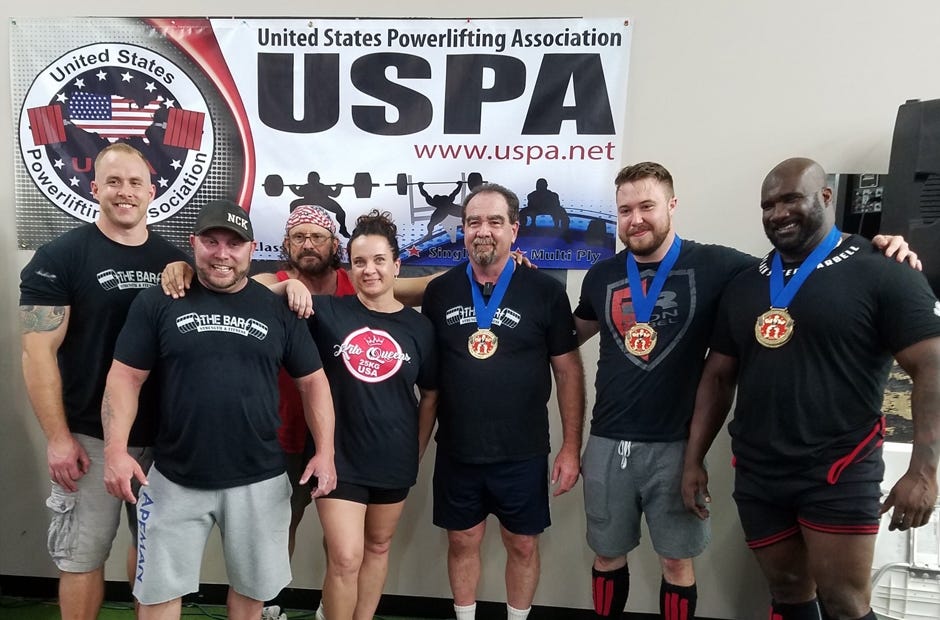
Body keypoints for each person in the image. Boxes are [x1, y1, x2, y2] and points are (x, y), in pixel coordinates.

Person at [572, 161, 923, 620]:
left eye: (647, 206)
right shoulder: (602, 275)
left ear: (671, 206)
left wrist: (882, 245)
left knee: (679, 562)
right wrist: (515, 277)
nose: (635, 219)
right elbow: (563, 336)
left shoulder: (722, 266)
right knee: (608, 554)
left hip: (683, 443)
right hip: (615, 440)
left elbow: (799, 264)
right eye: (624, 210)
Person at [681, 157, 940, 620]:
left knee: (845, 602)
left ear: (825, 196)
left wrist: (924, 471)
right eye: (768, 205)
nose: (778, 213)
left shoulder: (885, 270)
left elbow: (932, 366)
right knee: (787, 591)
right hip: (759, 472)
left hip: (839, 468)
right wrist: (692, 459)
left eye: (790, 199)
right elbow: (717, 377)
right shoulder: (746, 284)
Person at [100, 199, 337, 620]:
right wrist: (115, 450)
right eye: (211, 241)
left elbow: (313, 382)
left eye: (234, 243)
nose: (222, 253)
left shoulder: (277, 308)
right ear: (194, 243)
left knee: (251, 594)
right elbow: (125, 378)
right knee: (157, 595)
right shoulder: (161, 300)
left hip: (260, 478)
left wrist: (326, 451)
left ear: (251, 249)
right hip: (173, 476)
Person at [18, 142, 188, 620]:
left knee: (153, 554)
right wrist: (57, 438)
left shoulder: (176, 263)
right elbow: (37, 353)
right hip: (89, 438)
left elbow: (237, 287)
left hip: (163, 439)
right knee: (81, 556)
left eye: (135, 182)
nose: (124, 191)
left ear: (152, 191)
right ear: (94, 188)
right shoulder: (61, 256)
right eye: (113, 181)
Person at [421, 182, 585, 620]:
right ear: (463, 229)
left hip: (522, 450)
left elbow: (568, 372)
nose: (483, 230)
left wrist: (571, 447)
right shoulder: (439, 292)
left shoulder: (545, 291)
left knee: (523, 544)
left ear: (515, 229)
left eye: (495, 221)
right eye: (473, 221)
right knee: (462, 541)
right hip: (458, 449)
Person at [310, 210, 438, 620]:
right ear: (349, 268)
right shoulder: (327, 313)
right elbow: (258, 292)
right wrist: (289, 286)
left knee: (378, 548)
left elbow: (430, 395)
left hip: (394, 458)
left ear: (396, 265)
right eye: (360, 261)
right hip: (339, 458)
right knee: (345, 557)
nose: (370, 270)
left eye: (379, 260)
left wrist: (416, 451)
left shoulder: (420, 328)